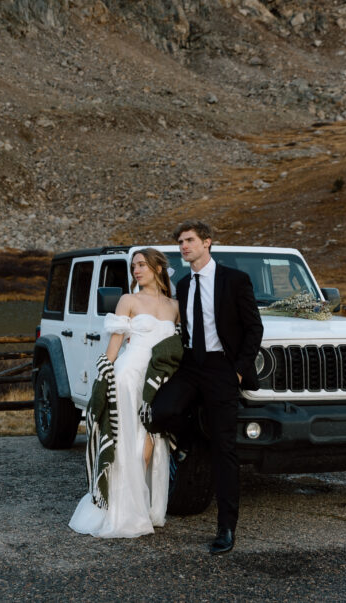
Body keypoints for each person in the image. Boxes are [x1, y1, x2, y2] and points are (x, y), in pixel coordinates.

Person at [149, 221, 264, 555]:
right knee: (161, 411)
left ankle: (226, 528)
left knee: (225, 449)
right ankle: (188, 440)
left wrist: (239, 372)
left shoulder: (235, 280)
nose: (184, 246)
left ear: (207, 243)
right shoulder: (183, 285)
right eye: (181, 242)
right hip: (190, 365)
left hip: (222, 369)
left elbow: (253, 329)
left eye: (190, 241)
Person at [69, 247, 180, 538]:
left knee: (151, 442)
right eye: (134, 266)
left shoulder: (174, 306)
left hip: (157, 381)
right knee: (126, 440)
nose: (136, 270)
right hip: (128, 376)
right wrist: (102, 378)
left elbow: (175, 349)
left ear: (158, 268)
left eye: (142, 264)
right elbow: (115, 346)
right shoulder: (128, 300)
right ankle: (122, 510)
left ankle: (144, 506)